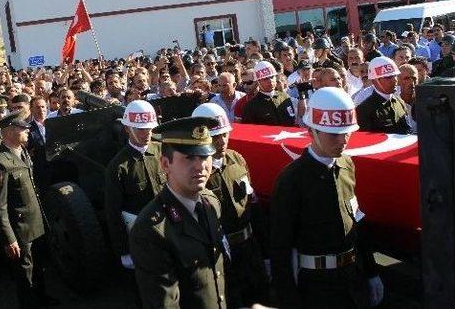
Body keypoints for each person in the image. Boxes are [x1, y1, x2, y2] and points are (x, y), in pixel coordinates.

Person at [270, 87, 382, 308]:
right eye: (333, 134)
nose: (343, 140)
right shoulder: (291, 180)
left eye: (347, 132)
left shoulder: (347, 165)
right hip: (317, 288)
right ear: (311, 131)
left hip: (353, 279)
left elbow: (356, 221)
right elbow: (281, 249)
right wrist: (289, 300)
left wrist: (371, 272)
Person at [129, 116, 228, 309]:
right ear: (165, 164)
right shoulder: (151, 230)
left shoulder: (211, 202)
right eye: (189, 157)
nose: (200, 166)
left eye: (205, 156)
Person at [192, 103, 269, 307]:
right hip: (219, 255)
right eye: (215, 136)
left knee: (260, 297)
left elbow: (251, 203)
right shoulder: (194, 173)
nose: (222, 141)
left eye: (225, 134)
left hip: (249, 248)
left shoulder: (237, 159)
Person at [0, 112, 49, 309]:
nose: (28, 130)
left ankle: (42, 299)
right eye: (23, 128)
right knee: (25, 272)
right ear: (11, 132)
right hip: (20, 228)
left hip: (36, 222)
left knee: (39, 267)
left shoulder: (22, 151)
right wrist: (9, 238)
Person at [104, 100, 165, 270]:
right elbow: (114, 214)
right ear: (127, 129)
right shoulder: (118, 167)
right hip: (142, 237)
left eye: (150, 128)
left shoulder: (163, 152)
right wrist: (124, 251)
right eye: (141, 129)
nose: (147, 133)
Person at [356, 57, 411, 134]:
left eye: (395, 75)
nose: (395, 80)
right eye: (388, 77)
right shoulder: (364, 110)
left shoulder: (400, 102)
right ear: (374, 81)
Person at [240, 61, 295, 126]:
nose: (270, 81)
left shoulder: (285, 97)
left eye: (272, 77)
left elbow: (292, 120)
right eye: (265, 79)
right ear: (258, 81)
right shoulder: (251, 106)